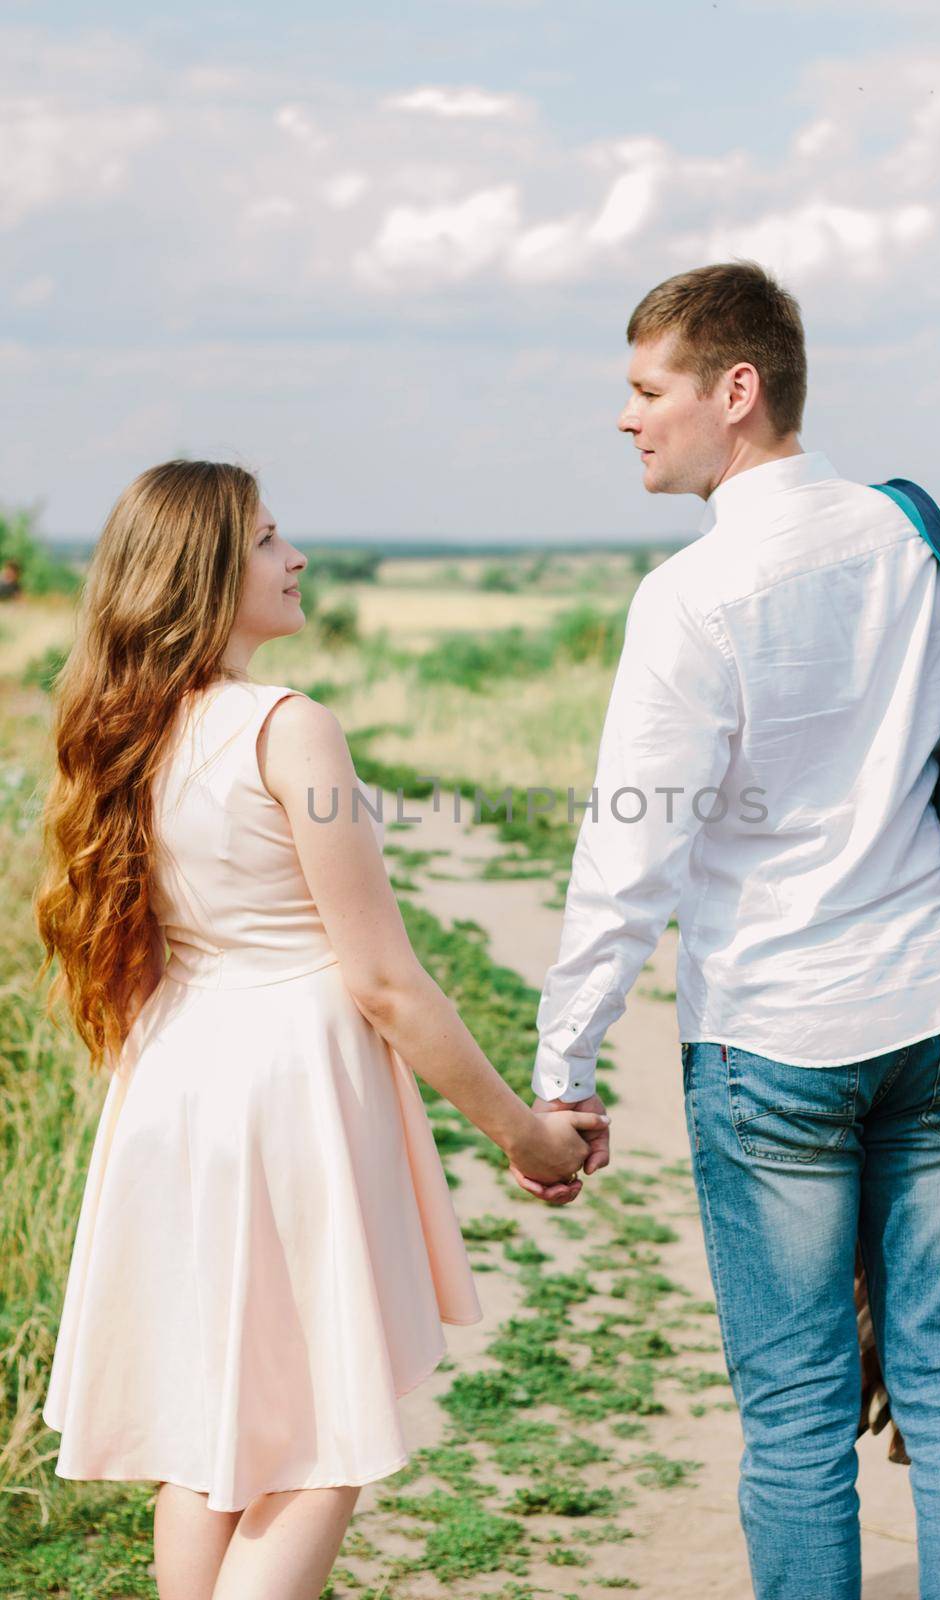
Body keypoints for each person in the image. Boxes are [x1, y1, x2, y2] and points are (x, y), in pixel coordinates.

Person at [512, 261, 940, 1598]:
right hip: (933, 1010)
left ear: (732, 391)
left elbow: (628, 856)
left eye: (645, 389)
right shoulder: (931, 538)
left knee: (797, 1418)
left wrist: (562, 1067)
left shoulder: (691, 598)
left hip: (776, 1042)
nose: (624, 420)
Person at [33, 460, 608, 1600]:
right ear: (201, 572)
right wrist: (520, 1134)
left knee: (211, 1439)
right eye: (266, 539)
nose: (294, 559)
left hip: (173, 1083)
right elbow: (387, 982)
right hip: (286, 1094)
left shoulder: (125, 727)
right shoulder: (290, 729)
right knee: (313, 1441)